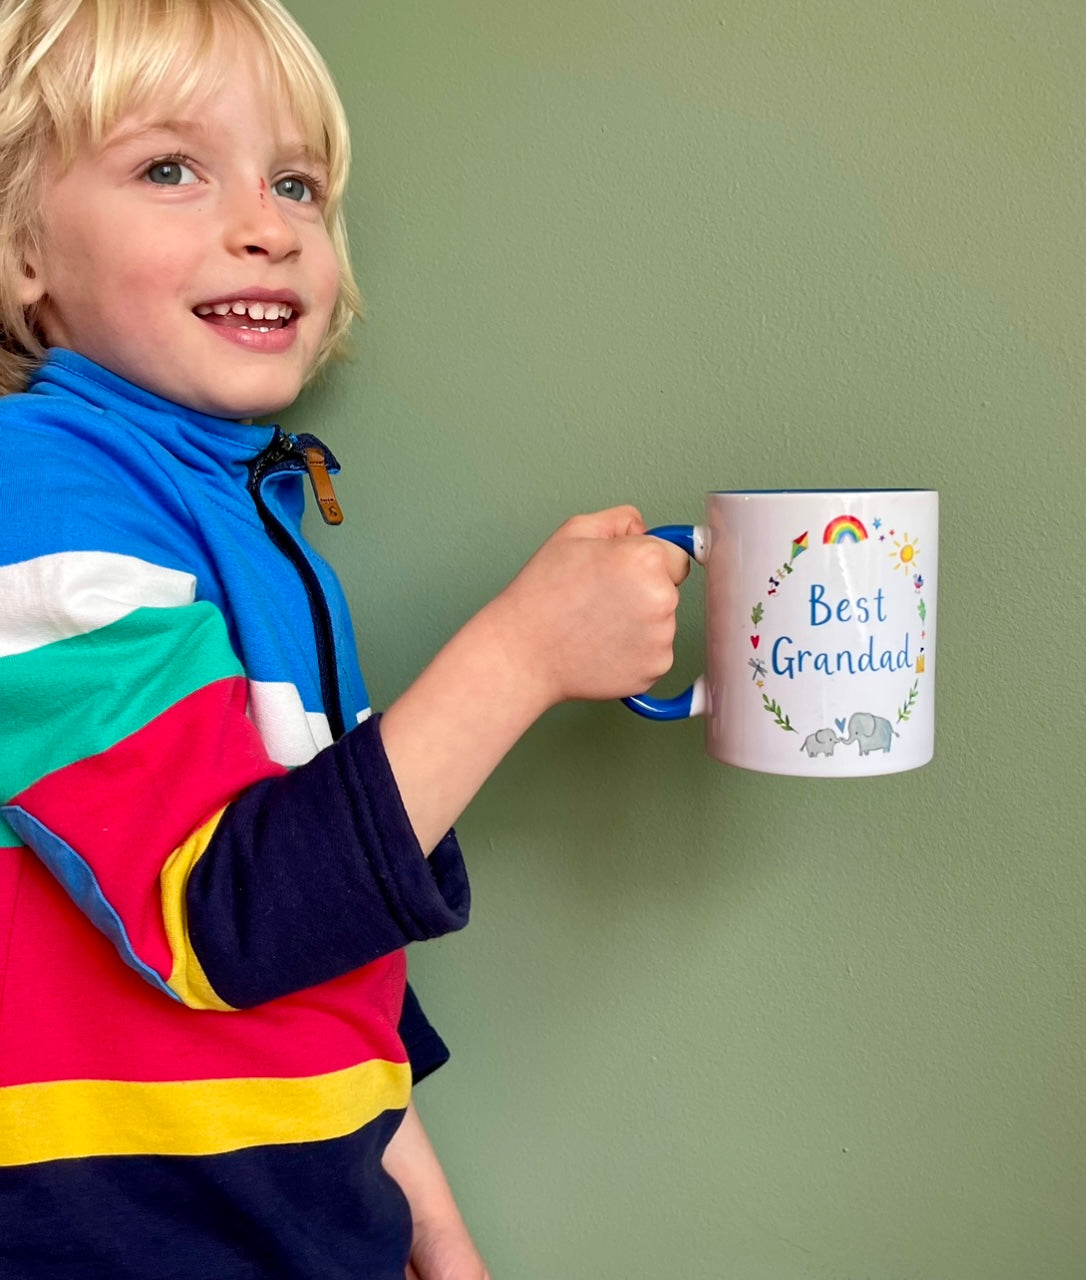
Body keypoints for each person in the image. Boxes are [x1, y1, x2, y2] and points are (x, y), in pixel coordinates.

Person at [0, 1, 689, 1277]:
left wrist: (436, 1229)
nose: (267, 225)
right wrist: (521, 655)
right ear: (23, 247)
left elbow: (322, 946)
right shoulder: (31, 494)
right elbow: (226, 908)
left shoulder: (248, 518)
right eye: (171, 168)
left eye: (297, 184)